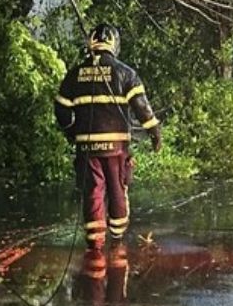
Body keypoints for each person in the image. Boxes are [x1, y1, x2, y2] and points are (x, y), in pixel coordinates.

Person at [54, 23, 161, 250]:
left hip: (86, 148)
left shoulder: (74, 74)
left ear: (91, 43)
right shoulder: (126, 73)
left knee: (93, 191)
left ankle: (95, 243)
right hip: (116, 147)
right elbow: (142, 107)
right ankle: (118, 241)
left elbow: (61, 109)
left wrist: (72, 133)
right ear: (114, 44)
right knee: (117, 189)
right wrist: (155, 133)